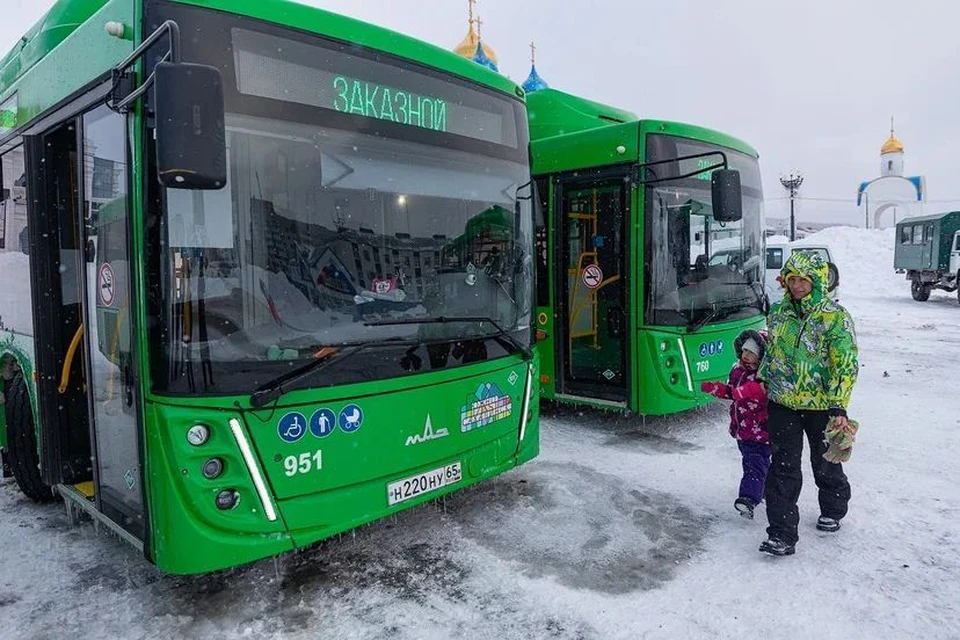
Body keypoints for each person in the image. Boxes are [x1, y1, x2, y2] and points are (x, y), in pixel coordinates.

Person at [757, 250, 858, 557]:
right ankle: (782, 534)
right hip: (783, 401)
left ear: (817, 281)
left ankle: (833, 507)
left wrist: (838, 405)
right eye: (793, 280)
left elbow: (846, 361)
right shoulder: (778, 313)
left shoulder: (835, 316)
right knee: (783, 467)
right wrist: (763, 376)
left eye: (804, 280)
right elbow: (772, 350)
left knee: (825, 462)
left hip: (821, 405)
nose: (798, 286)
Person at [701, 329, 770, 520]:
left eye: (751, 353)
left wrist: (746, 390)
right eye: (744, 351)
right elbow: (732, 392)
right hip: (742, 430)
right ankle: (766, 488)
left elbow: (759, 392)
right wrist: (716, 389)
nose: (746, 356)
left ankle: (748, 499)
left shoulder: (763, 377)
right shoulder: (737, 371)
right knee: (757, 464)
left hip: (760, 432)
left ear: (761, 358)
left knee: (754, 465)